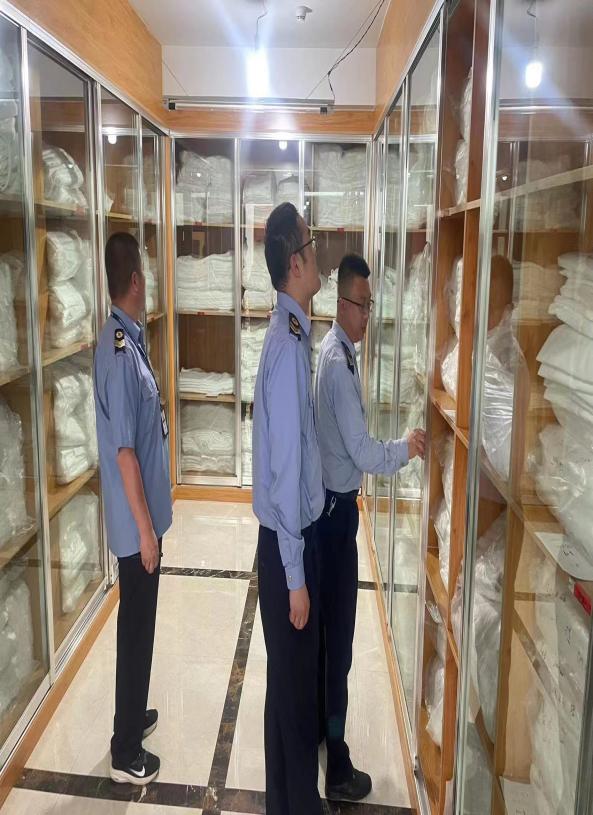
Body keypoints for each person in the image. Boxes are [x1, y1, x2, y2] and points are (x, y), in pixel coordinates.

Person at [314, 253, 425, 802]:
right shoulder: (337, 364)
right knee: (339, 648)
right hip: (334, 521)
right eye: (361, 305)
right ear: (341, 304)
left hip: (332, 513)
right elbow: (361, 451)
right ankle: (337, 765)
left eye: (369, 304)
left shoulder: (338, 353)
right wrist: (406, 448)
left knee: (329, 643)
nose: (366, 315)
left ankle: (321, 728)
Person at [252, 202, 325, 814]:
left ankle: (285, 803)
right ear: (295, 263)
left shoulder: (292, 335)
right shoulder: (287, 345)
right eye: (311, 241)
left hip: (285, 544)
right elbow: (283, 476)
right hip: (286, 548)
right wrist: (295, 576)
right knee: (296, 697)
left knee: (287, 689)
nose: (318, 250)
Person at [93, 232, 172, 786]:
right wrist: (146, 532)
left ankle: (131, 714)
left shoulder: (127, 338)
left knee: (140, 624)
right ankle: (124, 750)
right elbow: (124, 454)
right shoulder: (120, 352)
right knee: (137, 629)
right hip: (134, 526)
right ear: (137, 280)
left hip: (141, 519)